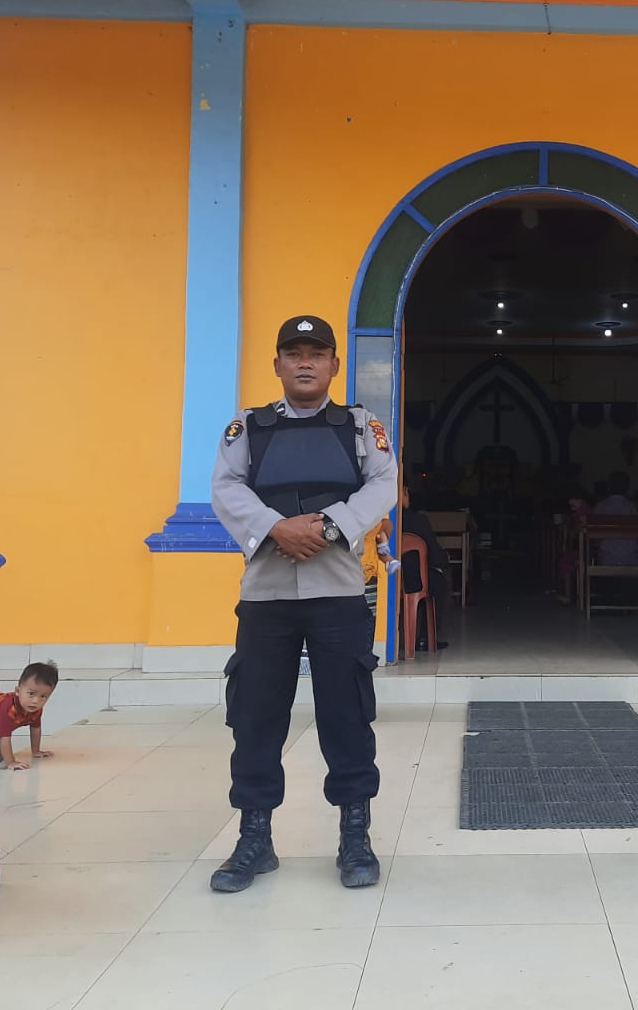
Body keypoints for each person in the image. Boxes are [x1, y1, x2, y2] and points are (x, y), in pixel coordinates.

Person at [209, 314, 398, 893]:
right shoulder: (249, 427)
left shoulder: (360, 427)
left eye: (317, 353)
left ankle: (355, 836)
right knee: (256, 716)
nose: (306, 362)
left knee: (347, 714)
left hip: (337, 591)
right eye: (294, 353)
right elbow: (225, 487)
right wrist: (276, 528)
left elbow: (384, 483)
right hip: (266, 595)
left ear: (335, 365)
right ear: (278, 365)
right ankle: (255, 838)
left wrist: (330, 526)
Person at [0, 662, 57, 773]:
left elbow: (35, 729)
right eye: (31, 694)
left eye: (43, 696)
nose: (36, 701)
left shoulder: (36, 709)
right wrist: (11, 762)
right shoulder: (7, 708)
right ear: (18, 691)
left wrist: (36, 751)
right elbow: (4, 738)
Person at [398, 484, 450, 651]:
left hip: (391, 580)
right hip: (417, 580)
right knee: (439, 584)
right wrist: (445, 559)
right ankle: (425, 638)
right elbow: (436, 556)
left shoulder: (382, 521)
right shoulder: (418, 521)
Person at [593, 471, 638, 567]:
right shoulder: (634, 507)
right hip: (631, 556)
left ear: (609, 486)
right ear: (627, 488)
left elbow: (595, 539)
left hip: (606, 557)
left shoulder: (600, 507)